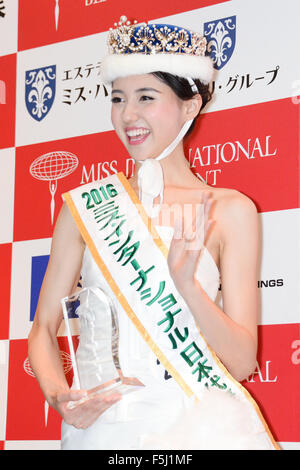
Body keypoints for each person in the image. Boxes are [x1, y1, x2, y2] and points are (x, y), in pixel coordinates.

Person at [28, 17, 279, 450]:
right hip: (101, 427)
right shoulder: (82, 208)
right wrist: (59, 396)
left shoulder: (230, 210)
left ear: (190, 105)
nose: (128, 115)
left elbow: (240, 362)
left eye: (147, 97)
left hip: (199, 426)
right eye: (118, 98)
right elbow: (44, 326)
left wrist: (189, 289)